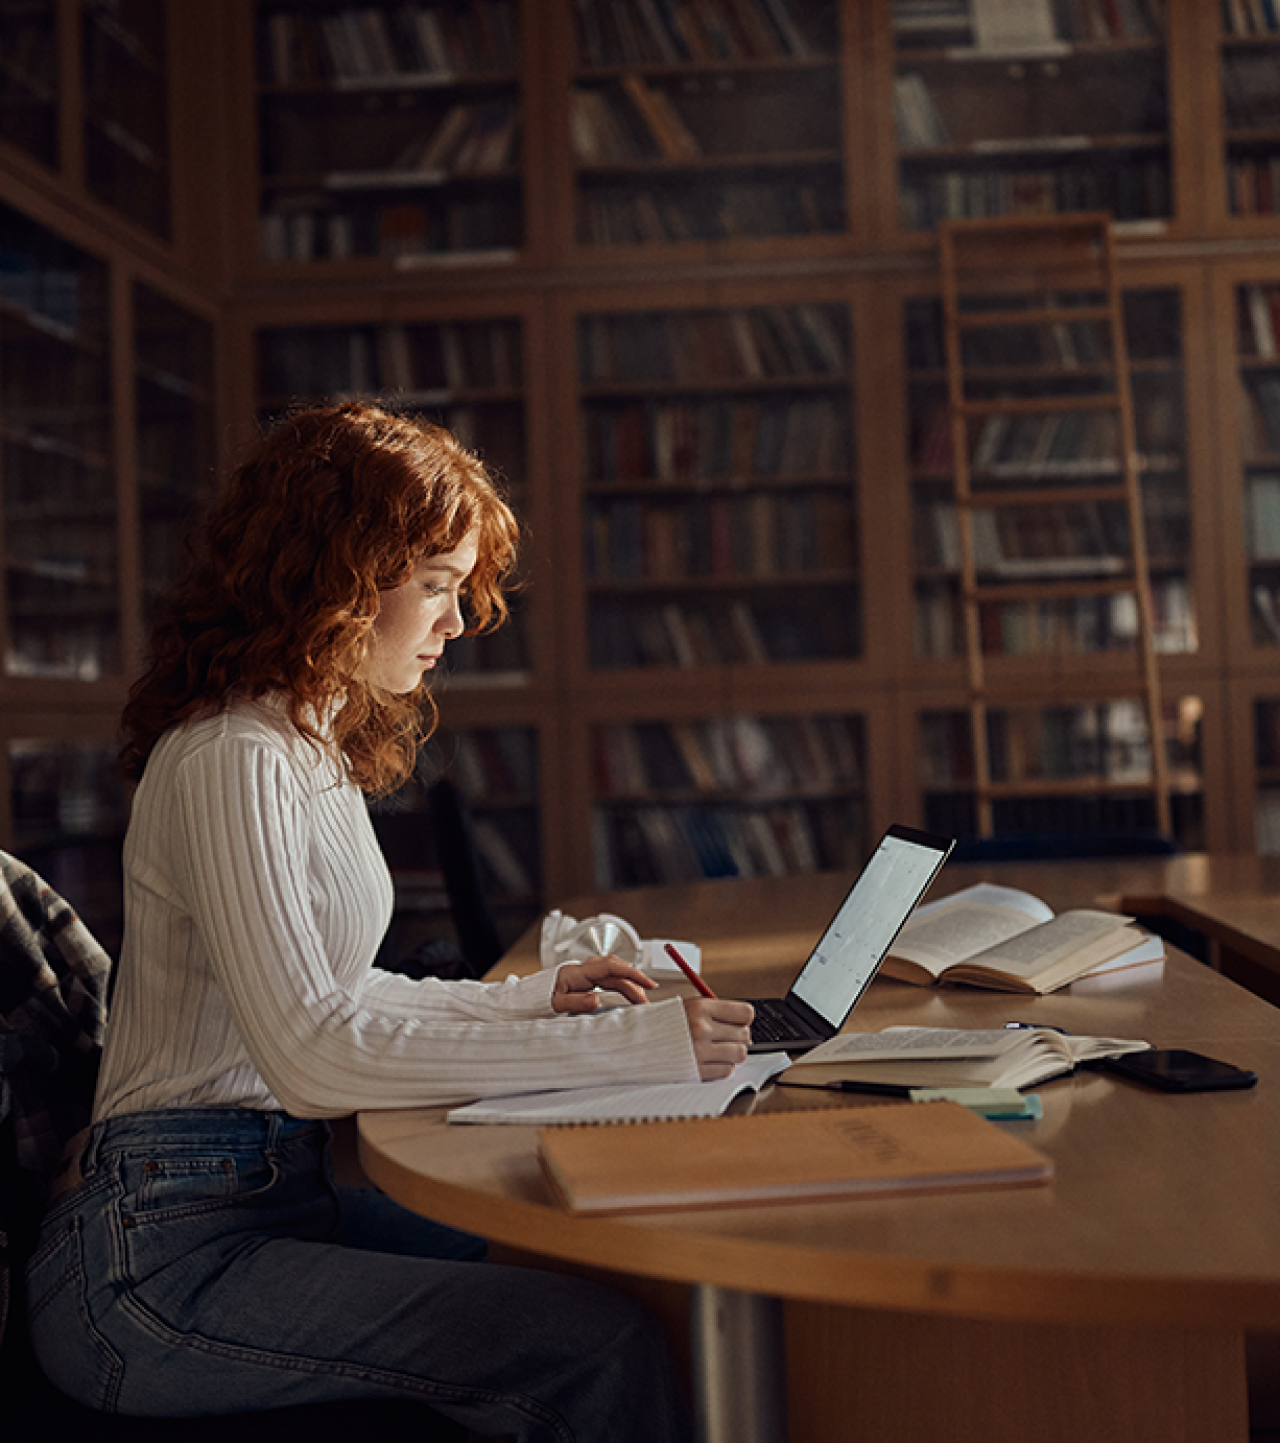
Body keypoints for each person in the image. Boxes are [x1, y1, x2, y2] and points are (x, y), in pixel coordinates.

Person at [25, 401, 754, 1440]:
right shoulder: (234, 754)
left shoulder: (302, 749)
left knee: (583, 1253)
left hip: (255, 1196)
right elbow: (312, 1056)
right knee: (590, 1343)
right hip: (153, 1263)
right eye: (436, 588)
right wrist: (621, 1045)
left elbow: (335, 994)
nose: (456, 625)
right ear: (338, 579)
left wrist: (537, 1003)